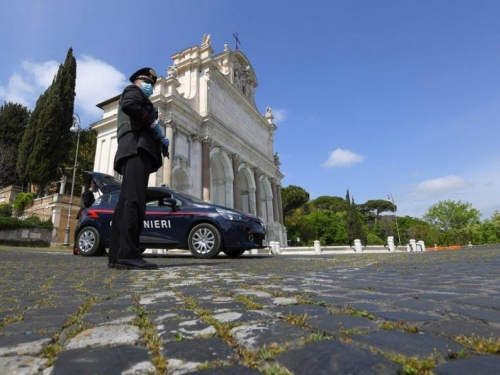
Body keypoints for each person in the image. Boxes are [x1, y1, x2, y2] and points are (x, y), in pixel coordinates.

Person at [108, 67, 169, 270]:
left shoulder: (140, 96)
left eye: (152, 84)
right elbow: (130, 105)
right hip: (136, 149)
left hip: (133, 149)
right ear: (137, 81)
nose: (150, 87)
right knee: (135, 201)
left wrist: (160, 140)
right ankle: (129, 254)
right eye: (147, 83)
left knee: (125, 203)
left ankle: (116, 255)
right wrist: (153, 124)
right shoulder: (133, 91)